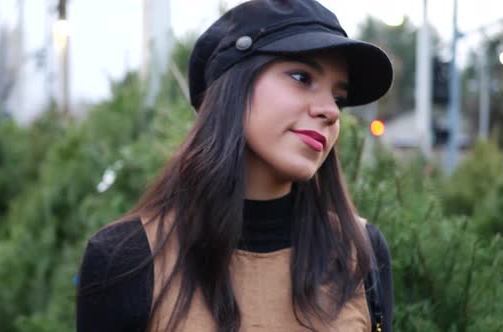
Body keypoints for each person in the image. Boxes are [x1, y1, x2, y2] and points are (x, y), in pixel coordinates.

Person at [76, 0, 394, 331]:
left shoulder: (361, 251)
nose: (330, 110)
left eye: (338, 98)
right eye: (302, 77)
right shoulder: (128, 258)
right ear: (234, 87)